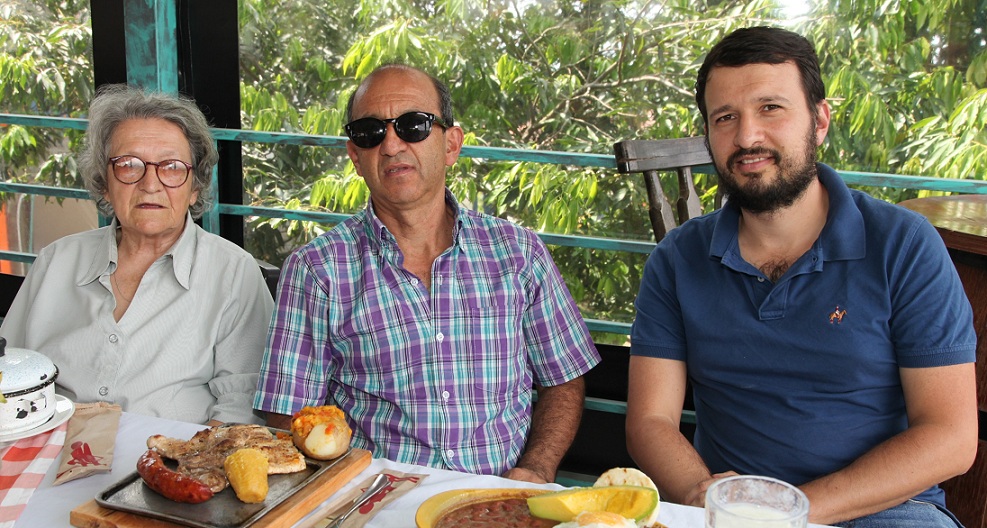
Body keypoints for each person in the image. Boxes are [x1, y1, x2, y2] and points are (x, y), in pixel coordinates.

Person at [625, 26, 978, 527]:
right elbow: (650, 421)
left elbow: (950, 437)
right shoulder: (678, 258)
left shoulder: (904, 245)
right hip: (728, 508)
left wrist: (788, 513)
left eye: (771, 108)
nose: (747, 137)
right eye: (726, 118)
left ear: (819, 120)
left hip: (886, 508)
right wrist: (700, 491)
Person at [254, 64, 600, 483]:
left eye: (413, 125)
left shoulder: (518, 253)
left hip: (499, 497)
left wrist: (536, 469)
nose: (392, 144)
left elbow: (563, 379)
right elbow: (288, 413)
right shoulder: (316, 270)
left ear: (452, 144)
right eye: (370, 132)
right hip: (375, 504)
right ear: (355, 157)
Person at [0, 84, 274, 425]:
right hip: (46, 460)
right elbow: (8, 370)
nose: (150, 183)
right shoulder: (56, 262)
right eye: (129, 165)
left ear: (195, 187)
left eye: (172, 167)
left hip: (171, 467)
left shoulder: (234, 275)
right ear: (104, 182)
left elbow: (241, 408)